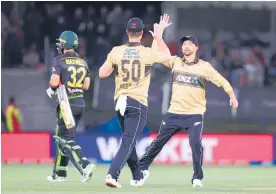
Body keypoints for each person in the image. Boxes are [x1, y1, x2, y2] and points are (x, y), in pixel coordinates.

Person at [138, 33, 239, 188]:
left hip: (194, 114)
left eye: (190, 43)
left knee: (195, 144)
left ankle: (197, 177)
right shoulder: (176, 62)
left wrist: (232, 96)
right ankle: (142, 169)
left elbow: (222, 81)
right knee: (158, 142)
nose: (186, 46)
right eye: (184, 43)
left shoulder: (204, 67)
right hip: (174, 113)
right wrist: (158, 36)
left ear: (196, 48)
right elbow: (162, 55)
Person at [99, 14, 172, 188]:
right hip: (137, 102)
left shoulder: (116, 51)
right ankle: (112, 174)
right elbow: (168, 57)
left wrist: (117, 67)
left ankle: (137, 176)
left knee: (128, 140)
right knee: (128, 141)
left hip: (120, 101)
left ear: (127, 32)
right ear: (141, 33)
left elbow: (102, 73)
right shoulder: (147, 52)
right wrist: (158, 36)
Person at [46, 30, 96, 182]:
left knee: (65, 139)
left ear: (64, 44)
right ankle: (59, 173)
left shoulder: (59, 60)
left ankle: (84, 164)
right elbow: (86, 85)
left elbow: (54, 82)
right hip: (79, 102)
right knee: (63, 137)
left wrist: (52, 87)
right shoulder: (83, 62)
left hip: (66, 104)